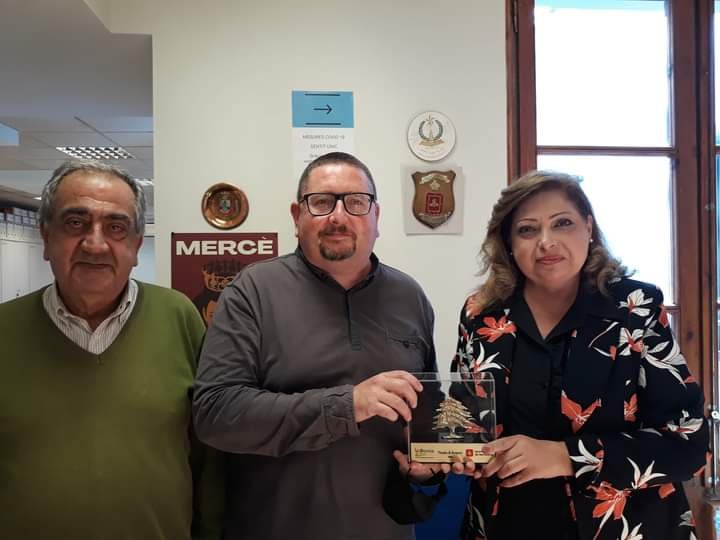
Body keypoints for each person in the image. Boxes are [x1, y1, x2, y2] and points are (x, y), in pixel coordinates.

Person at [193, 152, 447, 540]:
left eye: (356, 202)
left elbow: (426, 413)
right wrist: (347, 405)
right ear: (297, 216)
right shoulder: (253, 292)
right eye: (322, 202)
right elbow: (215, 414)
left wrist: (427, 464)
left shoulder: (409, 297)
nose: (338, 217)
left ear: (376, 216)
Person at [452, 170, 708, 540]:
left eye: (563, 223)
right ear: (508, 243)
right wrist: (451, 455)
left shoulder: (635, 308)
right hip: (503, 525)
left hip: (623, 527)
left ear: (588, 228)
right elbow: (464, 423)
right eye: (527, 230)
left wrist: (564, 456)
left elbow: (689, 445)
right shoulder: (481, 314)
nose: (546, 242)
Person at [0, 159, 224, 539]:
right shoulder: (5, 330)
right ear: (46, 237)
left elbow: (209, 457)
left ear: (136, 246)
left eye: (116, 227)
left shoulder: (179, 317)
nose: (95, 243)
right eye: (75, 223)